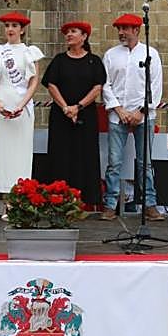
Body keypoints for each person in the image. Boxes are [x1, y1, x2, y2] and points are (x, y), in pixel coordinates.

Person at [100, 13, 165, 221]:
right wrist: (118, 109)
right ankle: (110, 204)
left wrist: (141, 111)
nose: (121, 32)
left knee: (144, 163)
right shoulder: (111, 54)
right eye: (119, 29)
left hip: (143, 115)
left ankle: (149, 203)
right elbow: (105, 84)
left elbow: (155, 86)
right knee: (114, 162)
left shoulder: (150, 54)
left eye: (125, 28)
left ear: (137, 30)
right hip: (117, 114)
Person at [0, 12, 43, 219]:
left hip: (22, 106)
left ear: (22, 29)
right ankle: (7, 202)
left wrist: (22, 104)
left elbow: (34, 81)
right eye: (7, 25)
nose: (10, 29)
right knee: (3, 154)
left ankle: (21, 200)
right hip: (2, 103)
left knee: (22, 154)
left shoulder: (30, 53)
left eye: (14, 25)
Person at [42, 21, 106, 209]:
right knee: (60, 156)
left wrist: (78, 107)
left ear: (84, 36)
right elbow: (51, 84)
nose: (69, 35)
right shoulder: (59, 60)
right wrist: (66, 108)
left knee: (85, 156)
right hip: (61, 116)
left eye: (73, 32)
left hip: (85, 117)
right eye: (67, 32)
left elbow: (97, 87)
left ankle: (86, 201)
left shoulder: (94, 61)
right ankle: (58, 198)